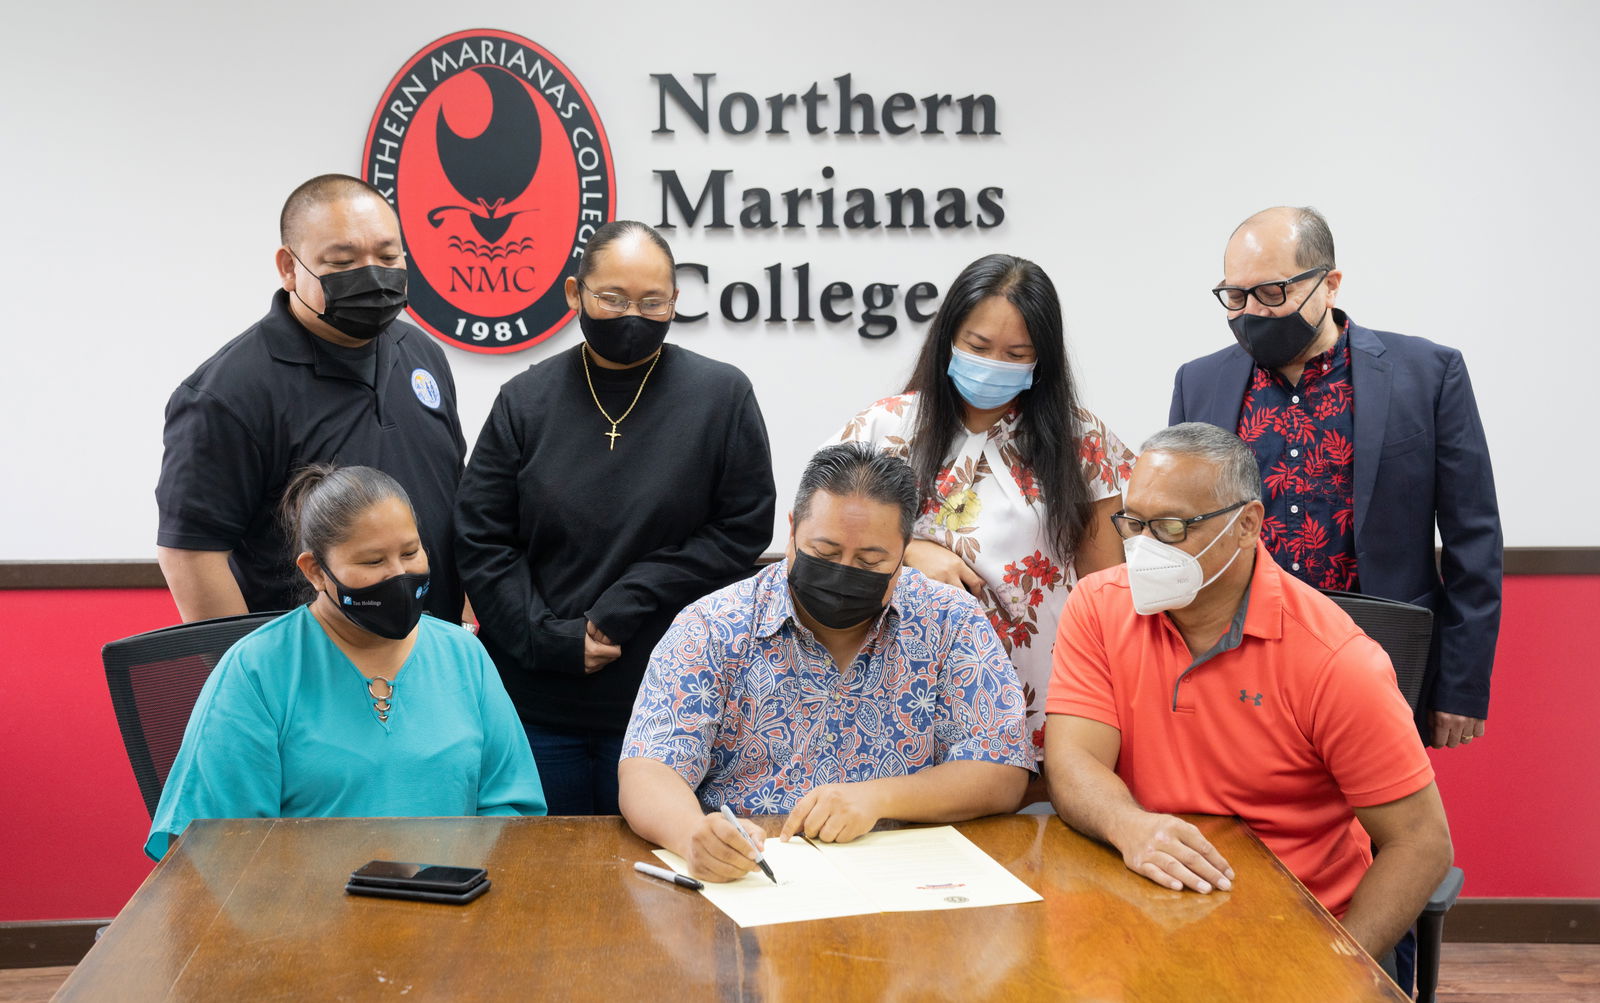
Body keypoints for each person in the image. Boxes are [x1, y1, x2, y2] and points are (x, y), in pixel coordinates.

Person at [1046, 423, 1452, 975]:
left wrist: (1332, 973)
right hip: (1143, 904)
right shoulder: (1098, 605)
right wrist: (1131, 826)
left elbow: (1421, 845)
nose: (1141, 548)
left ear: (1247, 525)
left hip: (1299, 925)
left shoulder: (1336, 659)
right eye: (1133, 523)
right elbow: (1074, 762)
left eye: (1169, 527)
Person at [455, 220, 776, 816]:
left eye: (653, 301)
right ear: (576, 294)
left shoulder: (721, 396)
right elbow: (482, 538)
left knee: (660, 881)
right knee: (544, 878)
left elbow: (743, 528)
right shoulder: (525, 400)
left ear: (676, 302)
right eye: (613, 299)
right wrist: (544, 637)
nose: (634, 315)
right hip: (537, 700)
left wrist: (631, 596)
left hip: (673, 701)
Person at [618, 443, 1032, 882]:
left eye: (871, 561)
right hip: (751, 880)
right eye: (825, 553)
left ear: (904, 550)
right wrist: (692, 836)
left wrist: (878, 799)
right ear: (793, 530)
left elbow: (1000, 773)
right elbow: (648, 769)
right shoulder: (714, 626)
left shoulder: (950, 620)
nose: (844, 573)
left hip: (907, 881)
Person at [1170, 206, 1501, 751]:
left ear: (1329, 285)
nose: (1251, 311)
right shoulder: (1199, 383)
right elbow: (1184, 528)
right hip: (1236, 659)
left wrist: (1463, 685)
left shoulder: (1429, 374)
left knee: (1375, 832)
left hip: (1379, 652)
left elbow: (1474, 538)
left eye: (1272, 292)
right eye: (1235, 296)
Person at [147, 465, 545, 860]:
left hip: (453, 905)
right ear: (316, 571)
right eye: (373, 562)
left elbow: (512, 807)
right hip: (303, 916)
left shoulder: (463, 655)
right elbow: (214, 844)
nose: (399, 574)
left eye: (410, 552)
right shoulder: (257, 671)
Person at [832, 253, 1133, 767]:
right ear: (948, 336)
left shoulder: (1081, 438)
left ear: (1044, 359)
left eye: (1018, 353)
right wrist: (911, 551)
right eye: (978, 346)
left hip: (1040, 682)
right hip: (904, 676)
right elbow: (823, 541)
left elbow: (1108, 588)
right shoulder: (885, 427)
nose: (995, 363)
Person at [156, 174, 467, 624]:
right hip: (309, 670)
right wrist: (253, 677)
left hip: (432, 655)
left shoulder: (422, 354)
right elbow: (190, 554)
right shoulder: (227, 393)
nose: (373, 275)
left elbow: (452, 498)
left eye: (386, 255)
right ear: (289, 267)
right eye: (343, 261)